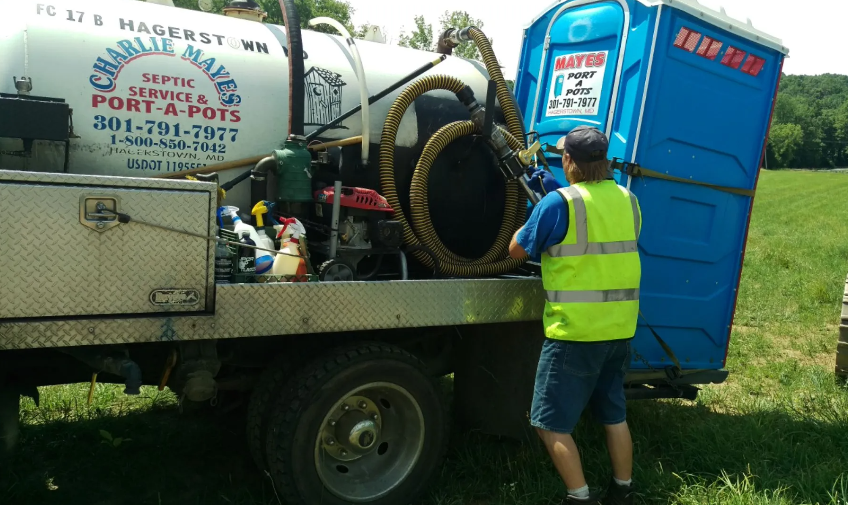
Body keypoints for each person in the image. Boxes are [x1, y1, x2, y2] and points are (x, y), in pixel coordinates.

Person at [508, 126, 642, 505]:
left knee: (548, 424)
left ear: (568, 160)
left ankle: (579, 497)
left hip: (575, 334)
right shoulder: (628, 200)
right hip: (619, 329)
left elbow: (516, 249)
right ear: (603, 161)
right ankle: (623, 491)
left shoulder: (559, 204)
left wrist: (540, 209)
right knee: (614, 415)